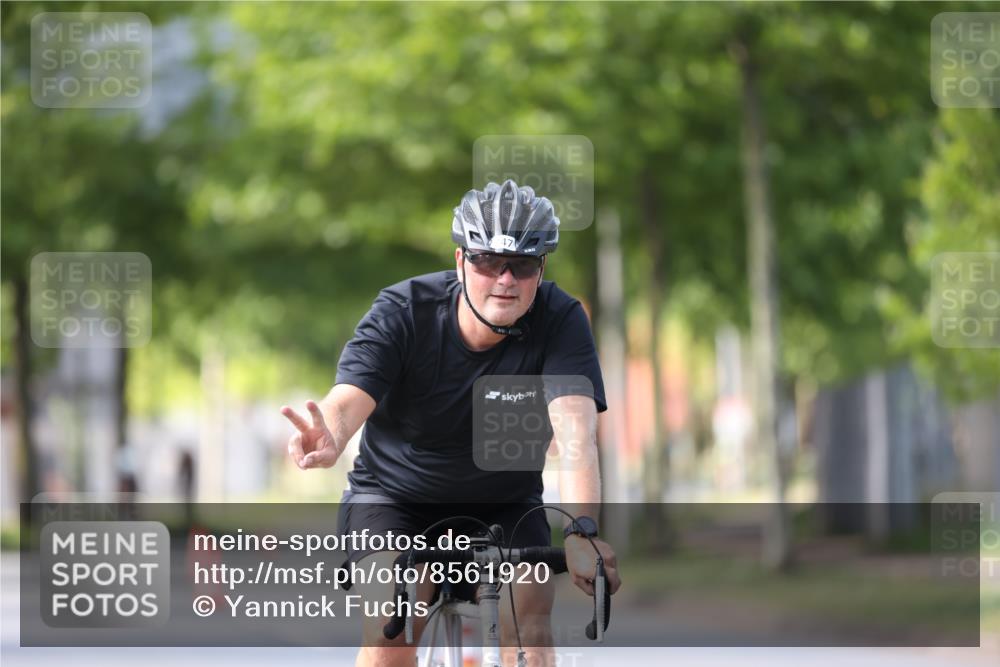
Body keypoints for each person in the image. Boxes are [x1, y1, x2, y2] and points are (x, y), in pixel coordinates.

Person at [281, 179, 621, 667]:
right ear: (461, 260)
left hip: (506, 505)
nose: (504, 279)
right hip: (393, 500)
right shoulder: (403, 312)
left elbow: (575, 435)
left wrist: (581, 532)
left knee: (530, 621)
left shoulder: (560, 318)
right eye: (486, 260)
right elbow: (347, 401)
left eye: (522, 266)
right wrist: (329, 436)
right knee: (391, 625)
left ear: (540, 269)